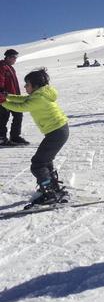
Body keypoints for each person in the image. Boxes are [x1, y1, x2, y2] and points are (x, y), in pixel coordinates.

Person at [0, 68, 69, 207]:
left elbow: (22, 107)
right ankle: (53, 187)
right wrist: (7, 96)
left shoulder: (39, 98)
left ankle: (49, 193)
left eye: (27, 84)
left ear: (36, 85)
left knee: (37, 164)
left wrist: (3, 102)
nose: (25, 87)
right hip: (58, 131)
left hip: (57, 133)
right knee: (45, 161)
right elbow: (23, 99)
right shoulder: (40, 94)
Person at [0, 49, 28, 146]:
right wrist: (1, 92)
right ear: (8, 57)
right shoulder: (2, 66)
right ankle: (1, 138)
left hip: (13, 97)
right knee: (3, 117)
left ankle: (15, 136)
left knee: (18, 115)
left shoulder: (10, 67)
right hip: (4, 97)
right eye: (14, 57)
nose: (15, 59)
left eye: (16, 57)